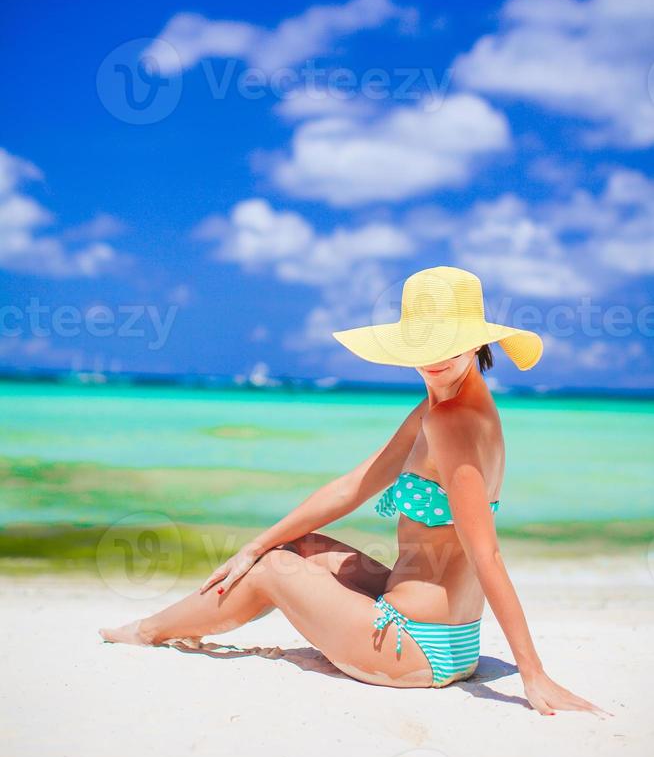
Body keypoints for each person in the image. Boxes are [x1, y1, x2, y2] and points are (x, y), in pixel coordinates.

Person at [100, 266, 609, 716]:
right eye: (421, 342)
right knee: (297, 546)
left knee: (275, 571)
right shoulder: (440, 410)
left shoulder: (454, 423)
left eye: (445, 341)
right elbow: (355, 485)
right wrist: (252, 544)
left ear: (477, 343)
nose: (431, 356)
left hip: (416, 647)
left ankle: (147, 631)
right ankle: (177, 615)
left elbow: (486, 554)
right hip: (443, 635)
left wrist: (532, 673)